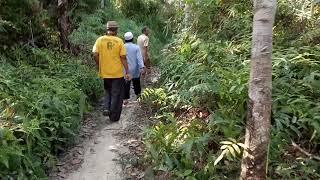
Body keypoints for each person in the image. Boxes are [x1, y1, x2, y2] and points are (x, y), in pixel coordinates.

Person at [92, 21, 130, 122]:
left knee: (108, 90)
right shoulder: (119, 41)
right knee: (116, 93)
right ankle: (113, 114)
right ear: (116, 30)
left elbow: (95, 54)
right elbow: (123, 57)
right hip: (117, 73)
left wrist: (99, 64)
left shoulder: (100, 40)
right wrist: (127, 71)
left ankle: (106, 108)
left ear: (107, 29)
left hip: (105, 72)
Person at [123, 32, 145, 105]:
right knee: (136, 82)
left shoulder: (122, 47)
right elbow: (139, 58)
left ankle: (125, 99)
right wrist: (142, 67)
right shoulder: (136, 47)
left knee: (126, 84)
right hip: (135, 68)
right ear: (132, 39)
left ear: (125, 39)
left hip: (125, 68)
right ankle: (138, 96)